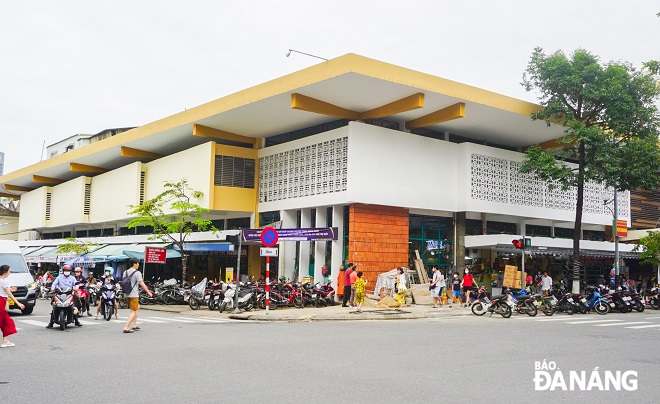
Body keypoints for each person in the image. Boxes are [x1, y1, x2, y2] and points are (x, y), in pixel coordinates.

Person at [123, 258, 153, 334]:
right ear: (134, 264)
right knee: (133, 311)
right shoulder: (137, 273)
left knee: (137, 307)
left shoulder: (125, 272)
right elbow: (141, 283)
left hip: (126, 294)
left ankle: (135, 324)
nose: (138, 265)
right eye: (138, 263)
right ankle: (126, 327)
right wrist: (148, 292)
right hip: (133, 294)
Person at [0, 265, 25, 347]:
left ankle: (5, 341)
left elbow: (5, 291)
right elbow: (9, 294)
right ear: (5, 272)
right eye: (9, 271)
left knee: (6, 322)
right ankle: (4, 341)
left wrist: (10, 289)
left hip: (2, 301)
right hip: (1, 302)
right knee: (4, 322)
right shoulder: (4, 281)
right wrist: (18, 303)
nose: (10, 273)